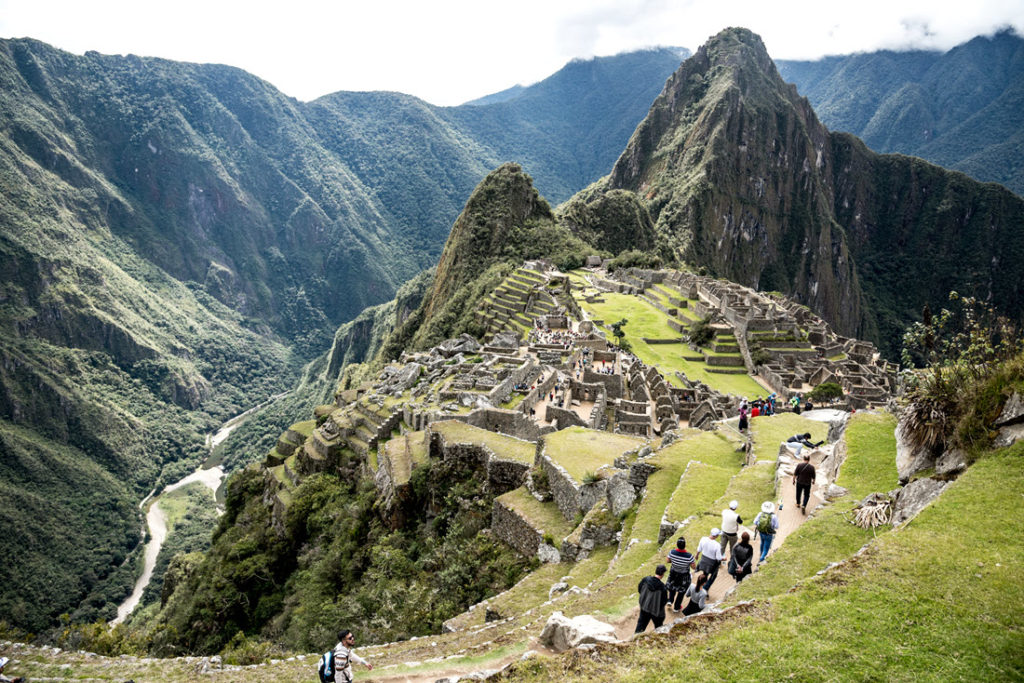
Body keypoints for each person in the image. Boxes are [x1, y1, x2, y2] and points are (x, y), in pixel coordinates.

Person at [634, 564, 669, 633]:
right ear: (663, 574)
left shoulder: (646, 580)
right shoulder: (663, 588)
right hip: (656, 612)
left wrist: (646, 599)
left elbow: (639, 589)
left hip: (644, 607)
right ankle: (659, 635)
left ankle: (635, 639)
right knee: (659, 626)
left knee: (640, 626)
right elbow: (663, 602)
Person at [666, 537, 695, 611]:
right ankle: (676, 607)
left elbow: (668, 560)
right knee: (681, 591)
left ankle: (670, 600)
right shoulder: (689, 556)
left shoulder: (672, 552)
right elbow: (693, 567)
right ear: (685, 545)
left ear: (677, 545)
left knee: (672, 587)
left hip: (673, 573)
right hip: (684, 576)